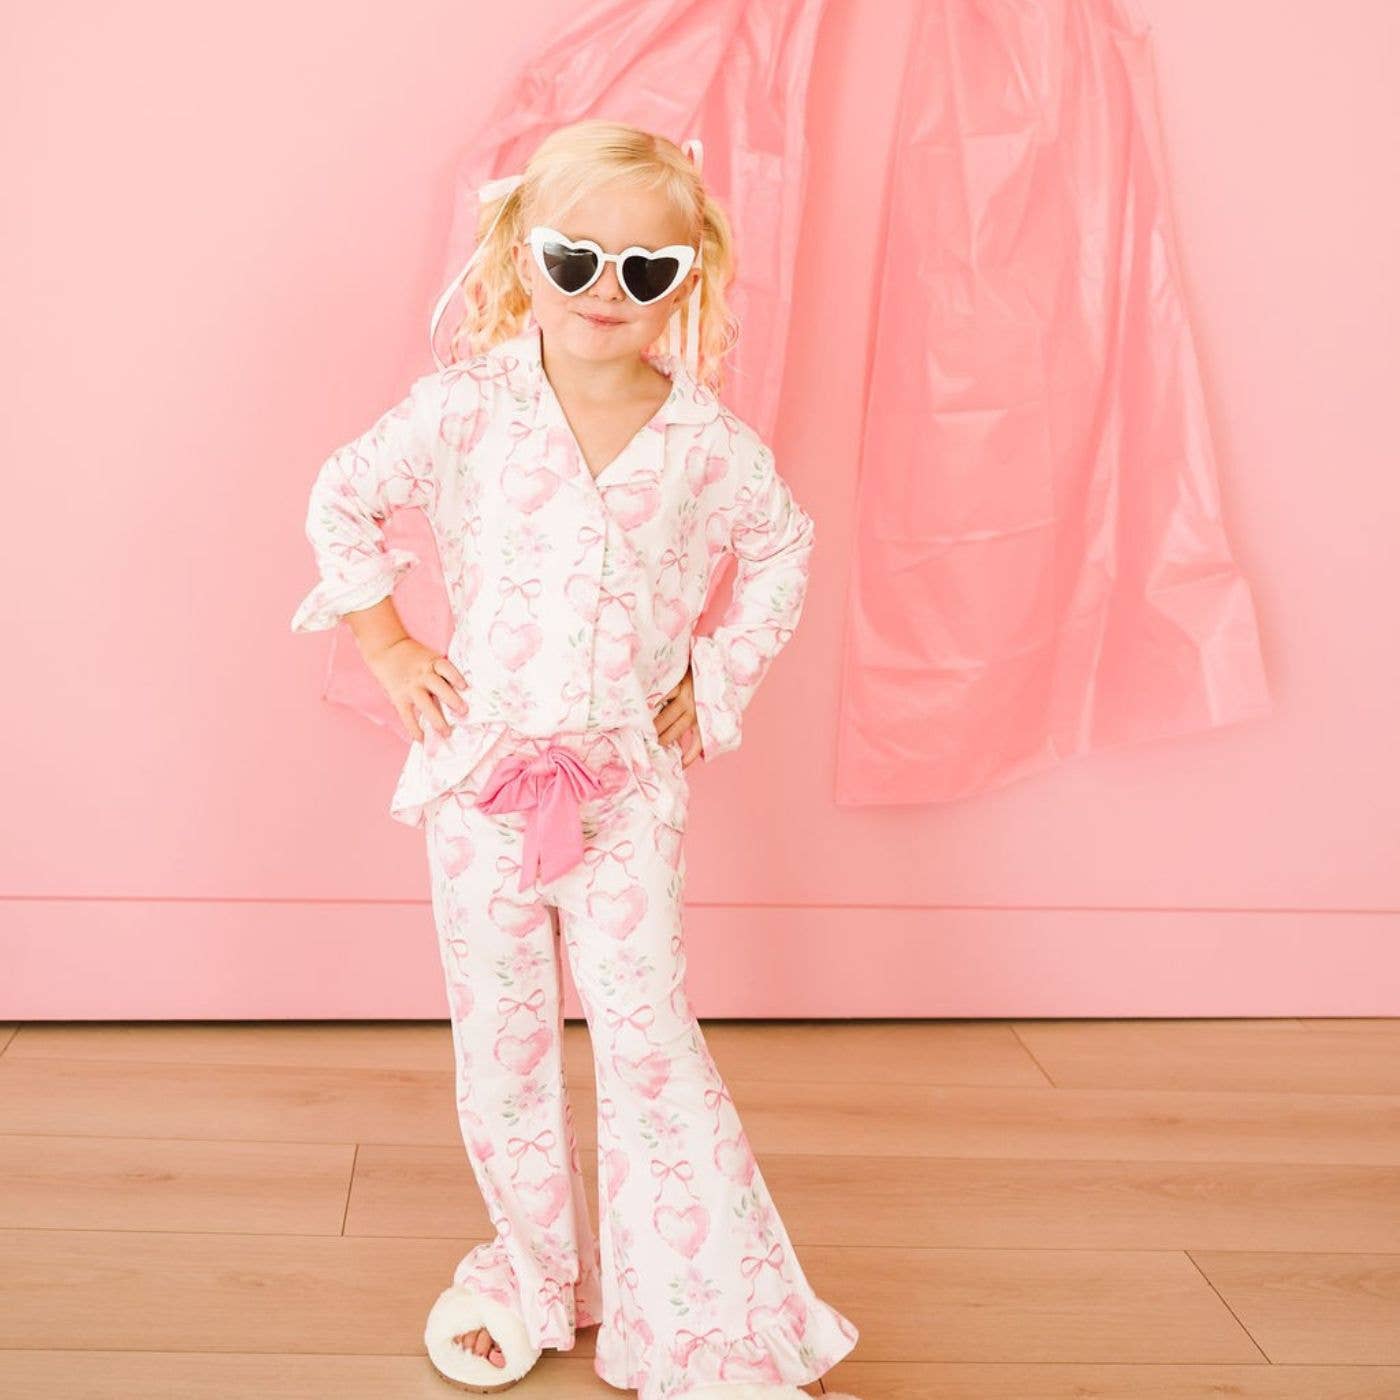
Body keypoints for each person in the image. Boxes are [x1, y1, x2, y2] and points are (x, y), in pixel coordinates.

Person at [290, 118, 858, 1400]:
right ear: (518, 253)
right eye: (576, 258)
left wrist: (713, 679)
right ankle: (534, 1274)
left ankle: (704, 1319)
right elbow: (343, 494)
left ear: (687, 280)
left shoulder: (704, 444)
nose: (607, 290)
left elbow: (781, 547)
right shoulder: (464, 411)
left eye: (645, 270)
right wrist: (387, 643)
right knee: (502, 1047)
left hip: (624, 797)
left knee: (648, 1035)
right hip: (479, 788)